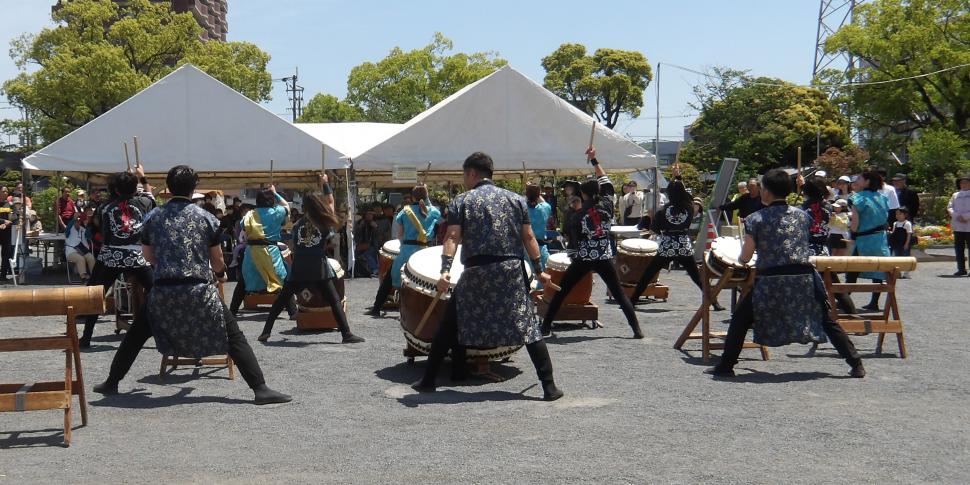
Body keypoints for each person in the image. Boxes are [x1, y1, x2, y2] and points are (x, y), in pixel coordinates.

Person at [92, 165, 291, 405]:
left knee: (135, 336)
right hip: (199, 290)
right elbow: (216, 259)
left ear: (169, 186)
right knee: (234, 336)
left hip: (163, 290)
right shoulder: (206, 218)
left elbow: (148, 256)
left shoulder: (153, 217)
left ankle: (112, 381)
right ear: (193, 188)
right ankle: (259, 388)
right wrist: (220, 273)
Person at [411, 151, 563, 401]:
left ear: (472, 173)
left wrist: (445, 270)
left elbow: (451, 237)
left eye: (464, 175)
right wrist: (539, 270)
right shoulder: (516, 200)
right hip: (510, 272)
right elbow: (529, 238)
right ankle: (549, 387)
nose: (463, 180)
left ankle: (428, 380)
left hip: (476, 272)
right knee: (528, 328)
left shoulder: (462, 201)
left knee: (450, 324)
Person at [706, 169, 865, 378]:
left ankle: (726, 366)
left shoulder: (755, 219)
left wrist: (744, 257)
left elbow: (746, 256)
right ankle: (856, 363)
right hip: (804, 277)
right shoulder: (802, 216)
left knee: (740, 319)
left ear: (767, 192)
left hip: (771, 280)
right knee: (826, 320)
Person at [540, 147, 644, 339]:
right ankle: (636, 329)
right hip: (604, 256)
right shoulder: (607, 204)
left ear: (583, 194)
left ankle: (545, 326)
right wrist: (594, 160)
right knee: (619, 294)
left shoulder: (577, 216)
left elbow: (573, 243)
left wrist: (573, 257)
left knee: (562, 290)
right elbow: (606, 181)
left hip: (584, 257)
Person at [260, 175, 365, 344]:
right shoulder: (323, 221)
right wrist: (325, 183)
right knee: (334, 300)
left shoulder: (297, 224)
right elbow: (330, 201)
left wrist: (275, 194)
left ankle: (266, 332)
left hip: (300, 265)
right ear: (318, 205)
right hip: (318, 266)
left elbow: (284, 211)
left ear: (304, 207)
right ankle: (346, 334)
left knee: (281, 300)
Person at [630, 165, 724, 311]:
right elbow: (686, 195)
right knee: (696, 277)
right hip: (683, 245)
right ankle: (714, 302)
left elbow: (655, 229)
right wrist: (677, 176)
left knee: (648, 273)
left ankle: (632, 301)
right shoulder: (688, 208)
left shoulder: (663, 211)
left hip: (668, 245)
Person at [80, 168, 156, 348]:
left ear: (115, 189)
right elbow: (151, 196)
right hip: (138, 256)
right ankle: (168, 333)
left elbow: (98, 228)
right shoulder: (143, 203)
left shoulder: (106, 207)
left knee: (96, 294)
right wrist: (141, 176)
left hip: (111, 256)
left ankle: (87, 336)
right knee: (157, 292)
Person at [367, 185, 441, 316]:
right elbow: (436, 223)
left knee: (389, 280)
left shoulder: (405, 211)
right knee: (425, 282)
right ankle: (426, 311)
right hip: (423, 251)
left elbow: (399, 235)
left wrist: (404, 244)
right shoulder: (433, 211)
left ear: (412, 197)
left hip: (406, 249)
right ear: (426, 196)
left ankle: (376, 308)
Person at [846, 169, 891, 311]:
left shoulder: (858, 198)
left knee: (852, 270)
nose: (856, 181)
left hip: (864, 239)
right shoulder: (882, 198)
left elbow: (854, 225)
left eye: (859, 178)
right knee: (878, 270)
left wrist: (851, 229)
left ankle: (845, 301)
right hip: (880, 238)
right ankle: (874, 302)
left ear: (867, 181)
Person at [240, 185, 290, 294]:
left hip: (251, 256)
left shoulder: (249, 215)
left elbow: (243, 226)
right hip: (272, 255)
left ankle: (233, 310)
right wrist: (275, 192)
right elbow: (286, 205)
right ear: (272, 200)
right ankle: (292, 310)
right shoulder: (277, 212)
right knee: (283, 281)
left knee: (242, 282)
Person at [525, 183, 553, 282]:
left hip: (526, 250)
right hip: (541, 249)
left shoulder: (523, 210)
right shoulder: (545, 208)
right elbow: (543, 202)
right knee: (545, 279)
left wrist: (529, 190)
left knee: (529, 279)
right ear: (539, 194)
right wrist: (535, 190)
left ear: (526, 194)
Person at [65, 206, 96, 282]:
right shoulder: (70, 229)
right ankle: (83, 277)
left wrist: (86, 225)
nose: (78, 222)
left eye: (79, 221)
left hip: (83, 250)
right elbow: (67, 230)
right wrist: (74, 219)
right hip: (72, 251)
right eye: (76, 220)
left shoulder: (83, 229)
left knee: (91, 258)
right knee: (80, 259)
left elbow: (89, 236)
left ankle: (94, 276)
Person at [947, 175, 970, 276]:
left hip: (969, 224)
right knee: (959, 248)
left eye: (966, 182)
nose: (963, 184)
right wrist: (957, 216)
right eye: (961, 183)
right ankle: (961, 269)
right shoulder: (955, 195)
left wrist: (966, 216)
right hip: (958, 225)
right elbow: (950, 207)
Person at [353, 209, 380, 277]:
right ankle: (358, 271)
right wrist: (360, 227)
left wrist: (375, 227)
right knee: (356, 256)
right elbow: (356, 235)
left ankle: (375, 270)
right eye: (368, 214)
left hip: (373, 245)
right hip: (360, 245)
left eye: (371, 214)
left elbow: (379, 236)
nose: (369, 216)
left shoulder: (376, 222)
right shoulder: (360, 223)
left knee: (368, 254)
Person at [0, 188, 12, 282]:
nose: (5, 193)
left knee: (6, 254)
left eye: (6, 191)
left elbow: (15, 216)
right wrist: (3, 221)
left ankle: (3, 275)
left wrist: (7, 223)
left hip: (6, 232)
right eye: (3, 191)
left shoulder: (10, 204)